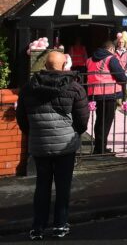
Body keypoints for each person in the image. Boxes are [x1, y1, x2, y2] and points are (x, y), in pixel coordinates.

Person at [16, 51, 89, 240]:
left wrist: (34, 133)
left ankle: (38, 227)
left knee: (42, 185)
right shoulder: (75, 87)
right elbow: (82, 120)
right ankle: (60, 224)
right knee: (63, 186)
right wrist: (75, 133)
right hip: (65, 144)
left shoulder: (28, 88)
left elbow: (22, 119)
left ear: (46, 66)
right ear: (64, 65)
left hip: (40, 144)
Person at [86, 41, 127, 155]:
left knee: (99, 121)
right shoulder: (111, 59)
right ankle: (101, 149)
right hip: (109, 94)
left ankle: (98, 147)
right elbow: (121, 76)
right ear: (111, 49)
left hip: (95, 94)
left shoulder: (90, 60)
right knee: (106, 122)